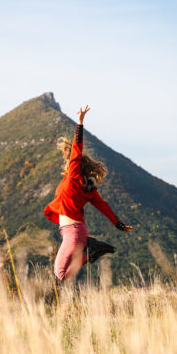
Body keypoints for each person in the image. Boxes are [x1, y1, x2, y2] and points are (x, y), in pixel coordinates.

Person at [44, 105, 134, 283]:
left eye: (69, 163)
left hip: (73, 232)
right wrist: (119, 224)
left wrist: (80, 123)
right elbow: (103, 206)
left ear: (75, 166)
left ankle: (92, 250)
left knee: (60, 274)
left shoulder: (74, 177)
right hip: (77, 232)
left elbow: (77, 150)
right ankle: (92, 249)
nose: (66, 164)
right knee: (60, 273)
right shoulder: (87, 188)